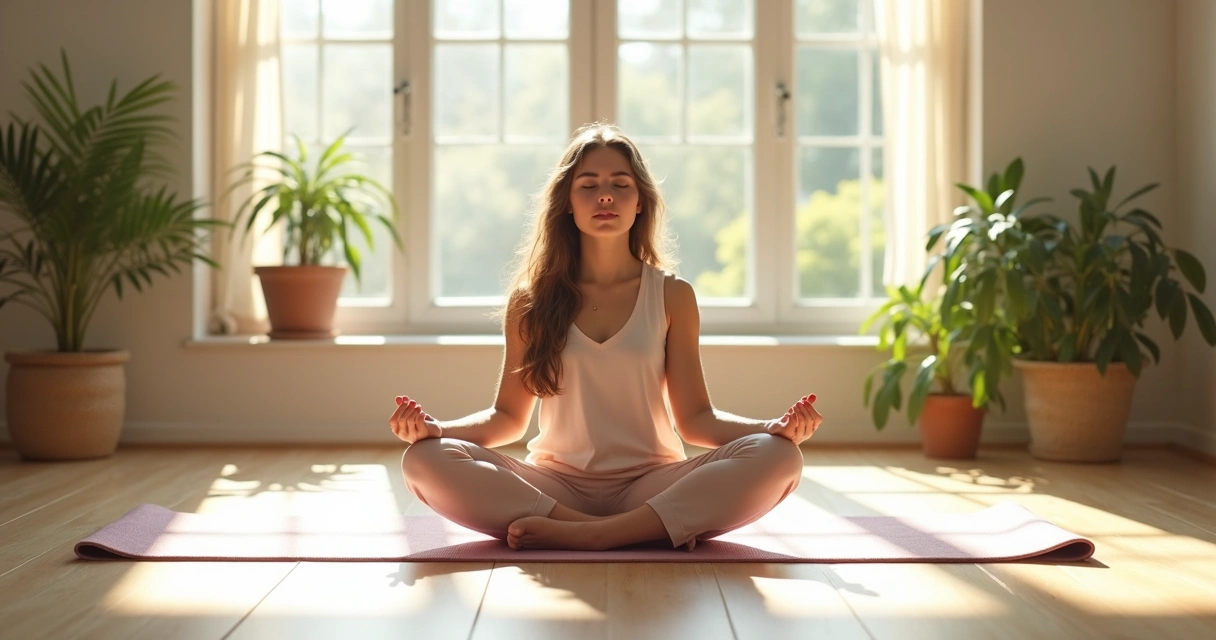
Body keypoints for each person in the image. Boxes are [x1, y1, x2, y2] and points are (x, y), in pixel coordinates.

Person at [389, 122, 823, 552]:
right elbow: (507, 418)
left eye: (620, 184)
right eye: (588, 185)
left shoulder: (672, 294)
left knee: (780, 456)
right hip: (555, 488)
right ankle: (619, 530)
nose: (605, 196)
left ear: (640, 202)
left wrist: (771, 428)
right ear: (567, 202)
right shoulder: (530, 300)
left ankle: (596, 534)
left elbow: (695, 419)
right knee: (424, 459)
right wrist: (436, 430)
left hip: (651, 484)